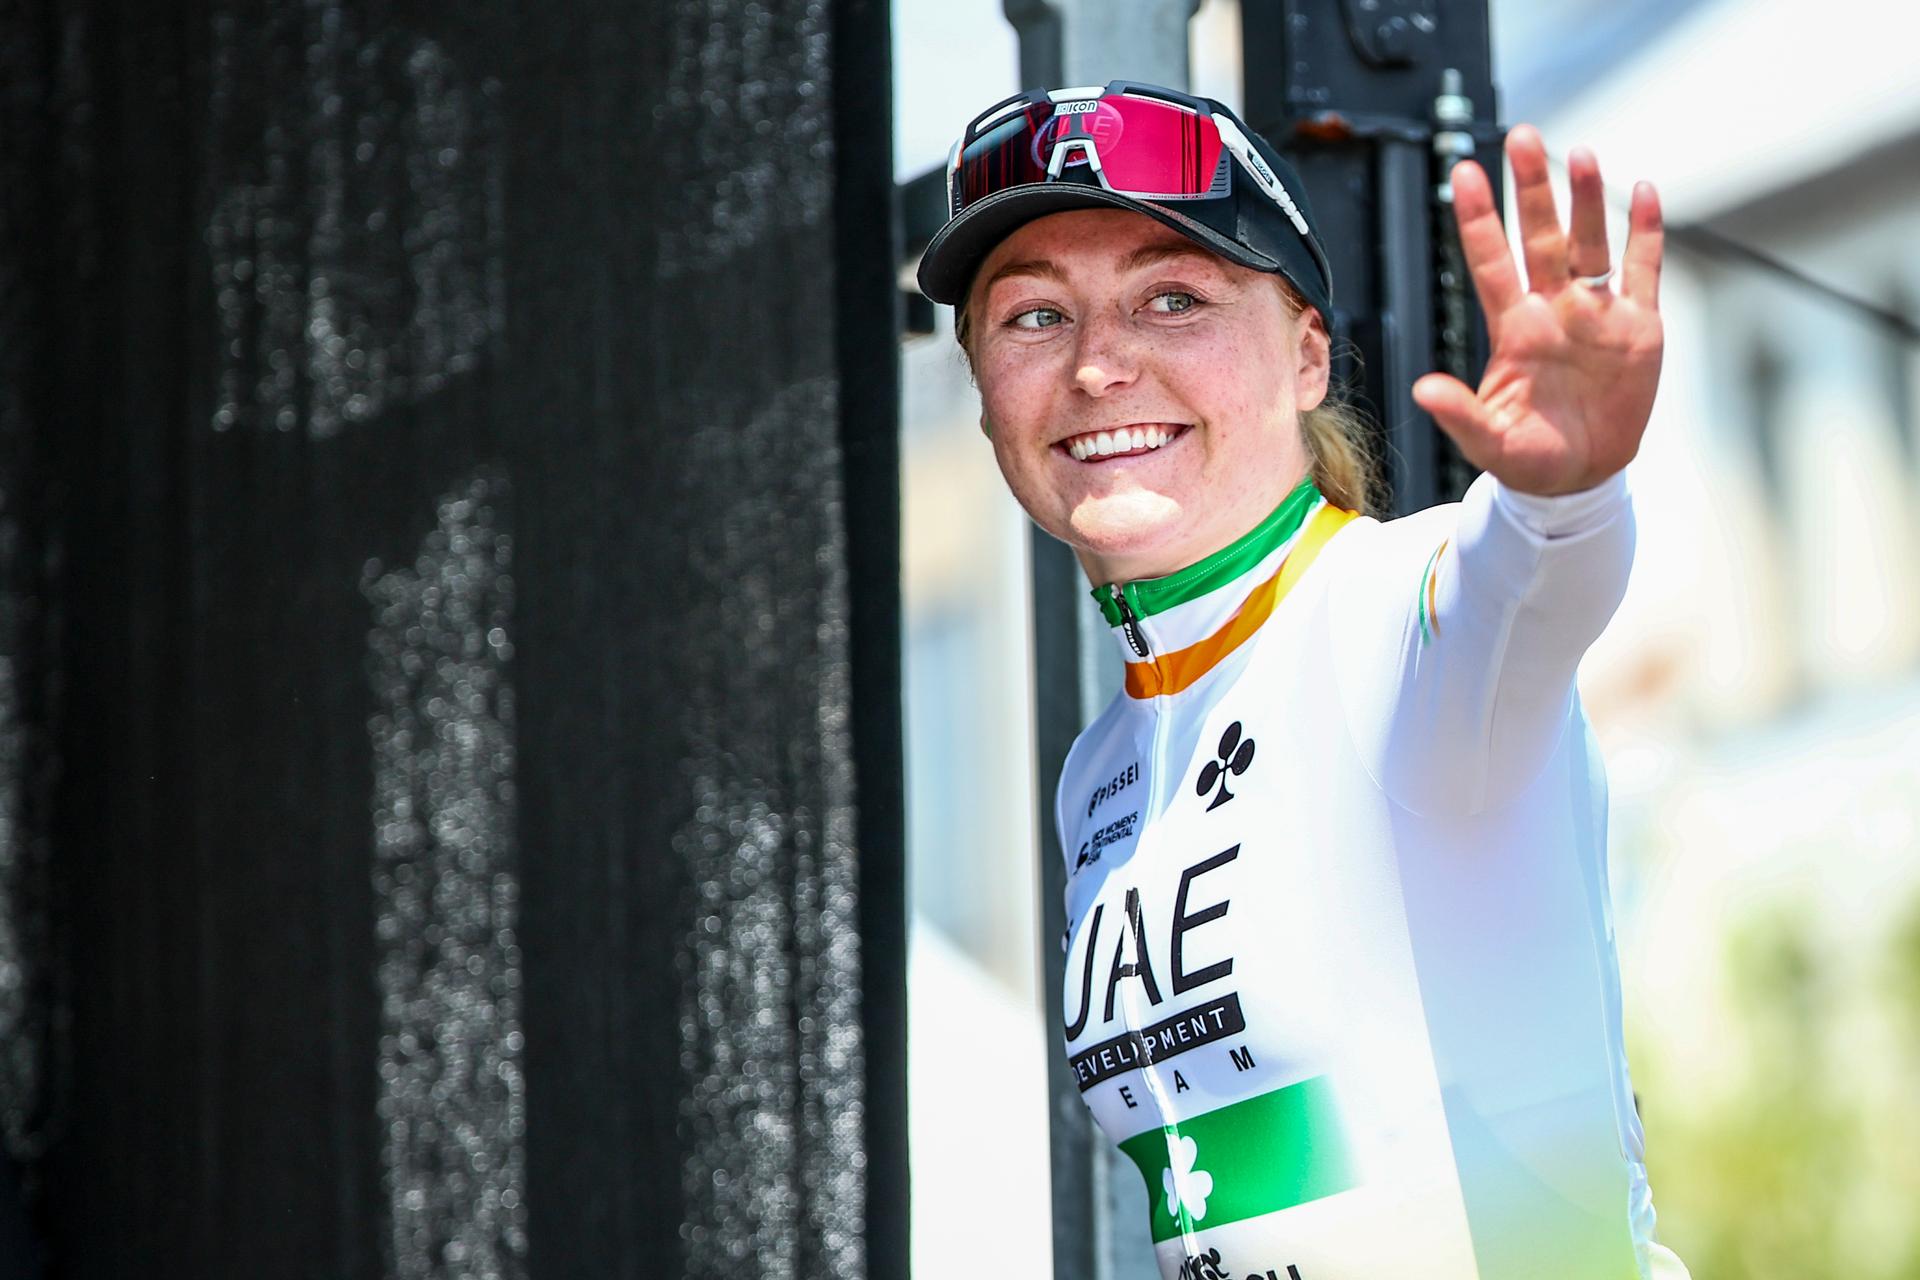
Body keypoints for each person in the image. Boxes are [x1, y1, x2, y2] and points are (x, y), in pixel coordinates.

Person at [916, 82, 1688, 1280]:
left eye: (1174, 298)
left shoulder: (1390, 610)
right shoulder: (1099, 775)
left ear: (1308, 356)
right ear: (983, 390)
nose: (1098, 365)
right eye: (1032, 317)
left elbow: (1525, 588)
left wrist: (1567, 492)